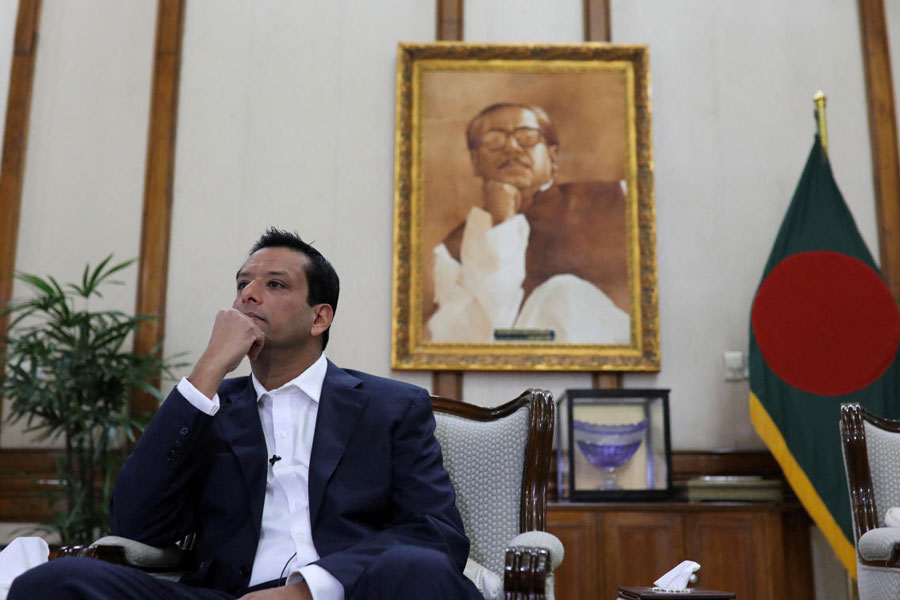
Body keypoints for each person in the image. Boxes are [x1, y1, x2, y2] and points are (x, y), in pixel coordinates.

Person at [10, 228, 481, 600]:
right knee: (53, 583)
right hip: (229, 595)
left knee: (419, 568)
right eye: (242, 285)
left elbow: (435, 532)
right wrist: (209, 369)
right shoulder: (207, 407)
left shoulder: (391, 406)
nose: (248, 296)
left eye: (274, 284)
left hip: (349, 590)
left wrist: (308, 589)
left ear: (320, 318)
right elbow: (137, 525)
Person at [428, 102, 631, 344]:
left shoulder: (618, 197)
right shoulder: (453, 248)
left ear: (552, 156)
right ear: (475, 161)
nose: (512, 148)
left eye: (527, 137)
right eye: (494, 140)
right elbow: (464, 335)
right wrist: (500, 222)